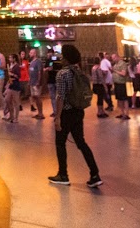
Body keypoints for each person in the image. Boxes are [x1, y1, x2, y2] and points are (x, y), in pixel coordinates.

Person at [49, 44, 101, 188]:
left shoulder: (62, 74)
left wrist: (58, 117)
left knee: (60, 143)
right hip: (78, 111)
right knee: (81, 143)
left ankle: (63, 174)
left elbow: (60, 97)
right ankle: (95, 174)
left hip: (66, 113)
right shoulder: (79, 71)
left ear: (66, 58)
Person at [4, 53, 22, 123]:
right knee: (7, 100)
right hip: (10, 84)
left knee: (16, 102)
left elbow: (18, 76)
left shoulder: (16, 66)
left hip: (15, 85)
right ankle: (11, 115)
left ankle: (15, 118)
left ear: (14, 59)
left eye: (11, 58)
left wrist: (13, 74)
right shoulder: (10, 66)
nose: (9, 59)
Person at [112, 53, 130, 120]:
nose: (113, 60)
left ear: (117, 57)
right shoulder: (115, 64)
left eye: (114, 58)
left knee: (124, 99)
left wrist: (115, 71)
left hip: (121, 83)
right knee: (119, 99)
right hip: (116, 83)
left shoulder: (122, 64)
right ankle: (122, 113)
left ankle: (126, 114)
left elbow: (123, 73)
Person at [28, 49, 45, 119]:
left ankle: (41, 113)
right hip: (32, 82)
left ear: (35, 54)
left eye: (31, 53)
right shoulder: (32, 62)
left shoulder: (38, 61)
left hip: (36, 82)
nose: (29, 54)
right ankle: (38, 113)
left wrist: (38, 81)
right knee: (34, 97)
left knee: (38, 97)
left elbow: (39, 72)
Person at [45, 48, 62, 117]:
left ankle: (58, 111)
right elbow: (46, 68)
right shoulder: (49, 60)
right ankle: (55, 111)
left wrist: (48, 68)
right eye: (49, 53)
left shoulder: (56, 60)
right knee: (53, 97)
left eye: (50, 53)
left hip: (56, 80)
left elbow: (51, 68)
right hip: (51, 80)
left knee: (57, 97)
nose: (49, 54)